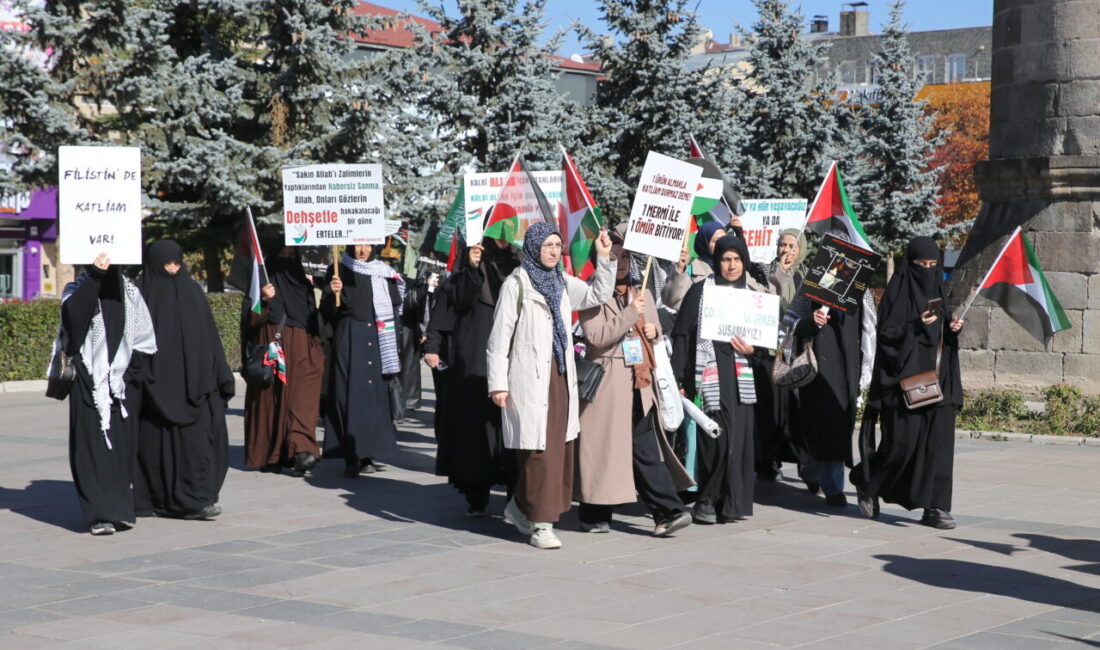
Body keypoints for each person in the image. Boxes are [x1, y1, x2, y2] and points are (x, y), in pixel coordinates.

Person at [487, 223, 614, 549]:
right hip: (529, 380)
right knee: (538, 453)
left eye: (558, 245)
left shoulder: (560, 281)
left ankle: (519, 508)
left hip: (559, 378)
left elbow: (597, 295)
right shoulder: (516, 285)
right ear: (533, 247)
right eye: (547, 245)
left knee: (558, 450)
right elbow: (498, 340)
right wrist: (498, 384)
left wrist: (604, 258)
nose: (554, 251)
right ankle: (541, 525)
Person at [575, 245, 694, 536]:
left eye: (625, 258)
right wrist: (630, 314)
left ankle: (670, 510)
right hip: (606, 385)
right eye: (613, 259)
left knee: (645, 450)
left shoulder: (642, 292)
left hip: (639, 382)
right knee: (604, 450)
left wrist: (653, 330)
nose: (621, 264)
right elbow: (598, 336)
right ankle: (594, 513)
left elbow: (653, 325)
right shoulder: (591, 294)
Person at [852, 237, 964, 529]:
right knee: (902, 445)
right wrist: (915, 326)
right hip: (904, 384)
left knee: (938, 448)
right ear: (909, 265)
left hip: (940, 382)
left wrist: (952, 329)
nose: (927, 271)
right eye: (921, 265)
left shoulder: (939, 290)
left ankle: (935, 507)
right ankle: (868, 481)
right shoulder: (897, 294)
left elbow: (943, 339)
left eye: (932, 266)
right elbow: (887, 338)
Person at [134, 240, 234, 520]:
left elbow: (210, 337)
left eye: (177, 264)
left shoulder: (191, 291)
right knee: (156, 450)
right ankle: (161, 500)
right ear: (154, 265)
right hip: (155, 390)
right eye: (166, 265)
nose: (173, 269)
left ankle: (197, 500)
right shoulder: (141, 295)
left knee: (200, 444)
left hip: (197, 387)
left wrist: (221, 377)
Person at [58, 253, 157, 534]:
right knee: (91, 448)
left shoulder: (130, 293)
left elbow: (143, 340)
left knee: (120, 451)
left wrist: (131, 378)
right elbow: (74, 329)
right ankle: (99, 514)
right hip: (88, 384)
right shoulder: (76, 290)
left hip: (123, 388)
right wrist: (95, 278)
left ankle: (118, 509)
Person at [671, 235, 766, 524]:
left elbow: (767, 341)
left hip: (741, 375)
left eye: (737, 259)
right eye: (726, 259)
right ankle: (707, 500)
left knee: (737, 439)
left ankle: (727, 503)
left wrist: (754, 350)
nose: (732, 265)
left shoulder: (752, 295)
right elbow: (682, 334)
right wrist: (679, 377)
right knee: (717, 440)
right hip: (709, 373)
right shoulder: (701, 291)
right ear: (717, 261)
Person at [787, 229, 876, 506]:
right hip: (815, 366)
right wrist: (810, 322)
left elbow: (869, 330)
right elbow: (790, 322)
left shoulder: (861, 288)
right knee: (816, 424)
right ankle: (813, 471)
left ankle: (834, 487)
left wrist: (866, 370)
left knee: (839, 426)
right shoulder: (810, 284)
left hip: (845, 367)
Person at [438, 234, 523, 516]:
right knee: (476, 425)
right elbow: (455, 302)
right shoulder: (471, 259)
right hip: (476, 353)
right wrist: (472, 269)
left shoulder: (521, 261)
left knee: (512, 423)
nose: (502, 237)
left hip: (515, 352)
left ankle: (516, 492)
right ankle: (477, 493)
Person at [321, 244, 404, 478]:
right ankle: (350, 455)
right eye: (358, 244)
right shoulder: (338, 270)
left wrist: (395, 345)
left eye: (367, 245)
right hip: (350, 339)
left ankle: (368, 454)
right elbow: (327, 313)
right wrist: (331, 291)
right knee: (350, 396)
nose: (362, 250)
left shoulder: (383, 271)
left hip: (379, 339)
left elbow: (395, 309)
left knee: (374, 397)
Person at [243, 246, 324, 477]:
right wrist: (264, 300)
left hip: (303, 355)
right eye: (283, 258)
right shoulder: (263, 288)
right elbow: (250, 320)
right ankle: (271, 456)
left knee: (300, 402)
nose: (288, 264)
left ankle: (300, 450)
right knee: (271, 403)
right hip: (274, 352)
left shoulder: (304, 286)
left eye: (292, 259)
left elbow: (317, 321)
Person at [755, 229, 808, 481]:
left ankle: (801, 461)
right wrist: (781, 274)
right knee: (770, 408)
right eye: (782, 244)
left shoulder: (807, 274)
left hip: (796, 350)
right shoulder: (766, 272)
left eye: (792, 246)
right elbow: (768, 302)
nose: (786, 250)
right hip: (770, 350)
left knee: (797, 410)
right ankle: (767, 460)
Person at [662, 221, 725, 312]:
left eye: (724, 239)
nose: (722, 244)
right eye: (716, 241)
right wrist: (679, 270)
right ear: (705, 243)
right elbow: (671, 301)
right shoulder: (690, 268)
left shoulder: (735, 267)